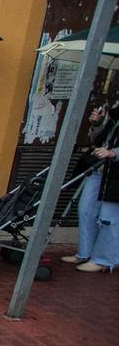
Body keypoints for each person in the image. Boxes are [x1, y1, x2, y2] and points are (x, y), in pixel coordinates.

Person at [63, 100, 119, 273]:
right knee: (86, 209)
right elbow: (98, 139)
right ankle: (85, 252)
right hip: (101, 168)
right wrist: (97, 124)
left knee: (109, 218)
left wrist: (114, 152)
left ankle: (103, 260)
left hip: (115, 173)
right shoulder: (114, 112)